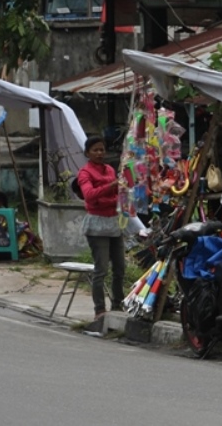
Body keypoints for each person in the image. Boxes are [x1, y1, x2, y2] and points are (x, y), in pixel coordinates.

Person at [77, 136, 146, 319]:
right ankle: (99, 310)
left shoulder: (109, 169)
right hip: (97, 225)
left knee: (120, 268)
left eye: (102, 149)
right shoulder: (85, 173)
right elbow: (90, 196)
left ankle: (117, 305)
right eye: (95, 150)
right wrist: (112, 187)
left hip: (114, 223)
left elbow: (119, 193)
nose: (100, 153)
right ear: (87, 153)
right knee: (101, 270)